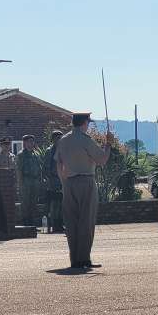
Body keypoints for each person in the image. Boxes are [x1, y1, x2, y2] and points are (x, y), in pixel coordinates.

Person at [55, 113, 113, 269]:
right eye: (88, 122)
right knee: (86, 221)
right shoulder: (85, 140)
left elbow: (58, 164)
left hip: (68, 183)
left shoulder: (63, 140)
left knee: (71, 222)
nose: (88, 125)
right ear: (84, 123)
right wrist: (108, 145)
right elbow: (102, 160)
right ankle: (84, 259)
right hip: (86, 181)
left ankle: (74, 259)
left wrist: (64, 182)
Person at [16, 134, 42, 226]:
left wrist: (40, 181)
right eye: (29, 141)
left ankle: (32, 222)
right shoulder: (21, 155)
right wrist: (20, 184)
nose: (31, 143)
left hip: (35, 181)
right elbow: (19, 171)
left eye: (32, 141)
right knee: (25, 202)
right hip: (26, 181)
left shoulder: (36, 154)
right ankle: (25, 222)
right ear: (25, 143)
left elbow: (39, 168)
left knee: (34, 202)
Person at [43, 130, 64, 233]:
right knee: (54, 204)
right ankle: (54, 225)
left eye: (61, 138)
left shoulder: (64, 150)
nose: (59, 140)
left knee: (62, 203)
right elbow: (46, 167)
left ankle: (60, 224)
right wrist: (49, 179)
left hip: (63, 179)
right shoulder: (49, 151)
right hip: (53, 180)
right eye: (57, 138)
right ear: (53, 140)